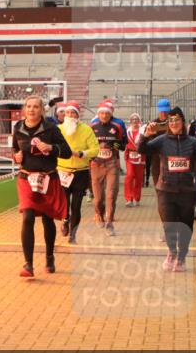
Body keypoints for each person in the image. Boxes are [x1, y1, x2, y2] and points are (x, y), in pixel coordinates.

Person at [137, 107, 196, 272]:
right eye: (171, 121)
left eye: (177, 120)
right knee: (169, 225)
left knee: (186, 226)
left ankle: (181, 257)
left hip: (186, 191)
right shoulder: (162, 140)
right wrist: (145, 136)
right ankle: (172, 252)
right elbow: (141, 150)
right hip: (166, 190)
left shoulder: (192, 142)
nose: (173, 123)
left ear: (183, 122)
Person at [11, 94, 72, 275]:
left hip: (47, 179)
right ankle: (28, 264)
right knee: (27, 216)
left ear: (42, 110)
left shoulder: (51, 129)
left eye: (36, 107)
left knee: (47, 219)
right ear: (24, 109)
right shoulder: (18, 127)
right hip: (26, 178)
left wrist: (52, 148)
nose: (31, 109)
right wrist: (16, 157)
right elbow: (14, 149)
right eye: (28, 106)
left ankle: (49, 257)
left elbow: (67, 152)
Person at [56, 101, 98, 244]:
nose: (70, 115)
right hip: (62, 172)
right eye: (68, 112)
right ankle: (65, 220)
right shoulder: (58, 129)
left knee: (76, 206)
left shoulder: (87, 130)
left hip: (81, 172)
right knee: (64, 204)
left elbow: (95, 150)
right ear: (64, 114)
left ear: (78, 115)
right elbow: (52, 147)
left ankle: (73, 235)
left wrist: (81, 153)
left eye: (73, 113)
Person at [90, 101, 126, 235]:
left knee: (111, 194)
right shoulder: (92, 127)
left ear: (111, 114)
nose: (104, 115)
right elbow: (87, 146)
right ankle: (99, 213)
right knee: (98, 198)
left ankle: (110, 223)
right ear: (98, 114)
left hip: (112, 164)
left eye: (107, 113)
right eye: (102, 113)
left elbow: (123, 145)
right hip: (96, 164)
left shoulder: (117, 126)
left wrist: (115, 145)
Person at [145, 98, 172, 187]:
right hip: (156, 156)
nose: (164, 113)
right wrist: (151, 134)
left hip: (170, 155)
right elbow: (146, 140)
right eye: (161, 111)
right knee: (157, 180)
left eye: (166, 111)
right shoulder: (153, 123)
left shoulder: (173, 122)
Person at [123, 113, 146, 207]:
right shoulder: (127, 132)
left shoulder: (143, 132)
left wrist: (144, 158)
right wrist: (126, 155)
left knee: (138, 179)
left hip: (140, 157)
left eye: (136, 120)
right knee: (129, 176)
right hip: (130, 157)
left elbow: (145, 145)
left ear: (139, 121)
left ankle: (137, 198)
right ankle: (129, 198)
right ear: (130, 121)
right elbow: (125, 144)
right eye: (133, 120)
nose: (135, 121)